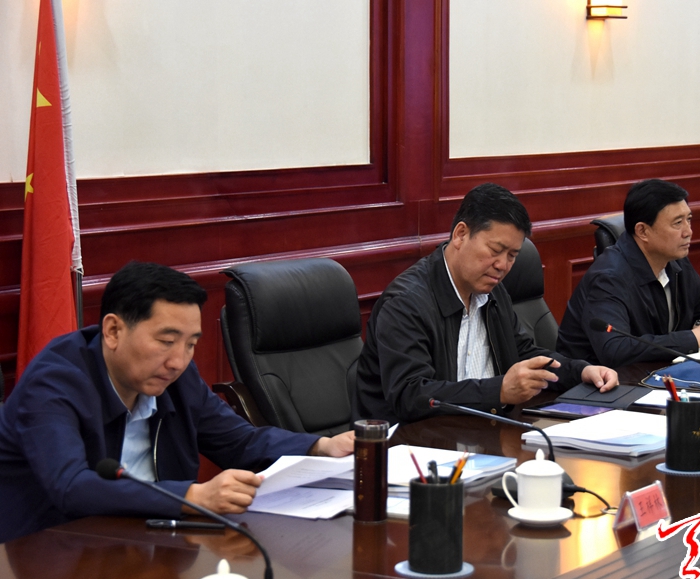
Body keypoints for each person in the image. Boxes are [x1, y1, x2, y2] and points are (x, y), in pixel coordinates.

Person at [0, 262, 354, 543]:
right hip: (56, 552)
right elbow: (71, 486)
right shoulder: (54, 383)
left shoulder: (175, 378)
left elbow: (239, 441)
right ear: (113, 331)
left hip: (155, 543)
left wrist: (321, 447)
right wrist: (193, 496)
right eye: (167, 341)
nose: (179, 361)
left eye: (191, 344)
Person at [355, 183, 619, 424]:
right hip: (416, 445)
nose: (502, 265)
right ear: (461, 235)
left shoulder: (493, 292)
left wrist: (581, 371)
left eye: (512, 255)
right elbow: (411, 396)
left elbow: (521, 352)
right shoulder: (406, 303)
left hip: (483, 431)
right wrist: (499, 391)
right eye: (495, 251)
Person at [556, 179, 700, 368]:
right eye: (678, 223)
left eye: (689, 219)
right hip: (597, 382)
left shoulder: (676, 263)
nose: (688, 232)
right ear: (643, 231)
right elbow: (615, 350)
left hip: (659, 374)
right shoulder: (609, 277)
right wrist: (695, 337)